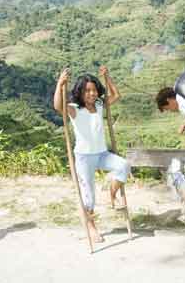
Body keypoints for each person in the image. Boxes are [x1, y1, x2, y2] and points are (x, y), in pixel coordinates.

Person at [54, 66, 131, 243]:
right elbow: (58, 106)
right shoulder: (74, 108)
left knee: (123, 165)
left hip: (102, 153)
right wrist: (60, 84)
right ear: (80, 92)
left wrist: (107, 77)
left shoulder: (99, 105)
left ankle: (111, 194)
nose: (92, 93)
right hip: (84, 157)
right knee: (88, 196)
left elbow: (116, 95)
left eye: (94, 89)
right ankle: (91, 227)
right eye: (87, 90)